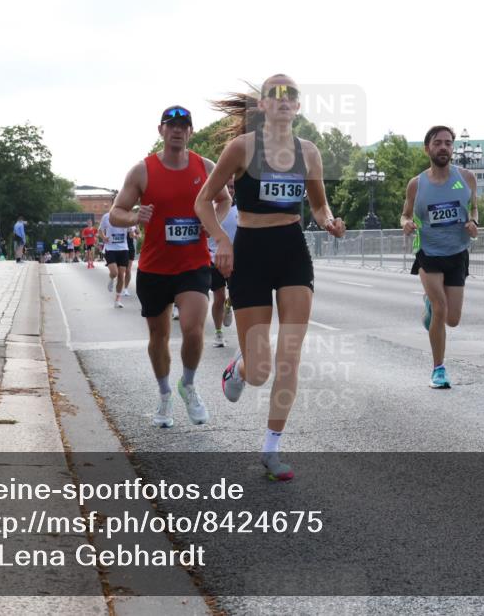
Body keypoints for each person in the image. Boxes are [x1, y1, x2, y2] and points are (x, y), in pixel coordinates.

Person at [196, 75, 345, 481]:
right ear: (262, 105)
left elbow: (318, 207)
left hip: (292, 251)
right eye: (274, 95)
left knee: (290, 355)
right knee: (261, 369)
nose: (283, 100)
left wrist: (330, 222)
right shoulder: (242, 148)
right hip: (250, 252)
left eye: (291, 95)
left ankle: (272, 448)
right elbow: (203, 200)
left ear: (297, 106)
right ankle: (240, 368)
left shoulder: (309, 152)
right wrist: (221, 240)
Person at [110, 105, 231, 429]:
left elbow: (224, 198)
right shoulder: (142, 171)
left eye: (184, 125)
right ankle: (164, 395)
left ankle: (188, 385)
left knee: (193, 329)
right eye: (171, 125)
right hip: (154, 268)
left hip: (192, 264)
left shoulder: (204, 167)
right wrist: (136, 216)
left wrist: (210, 222)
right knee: (158, 337)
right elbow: (115, 213)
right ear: (161, 130)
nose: (177, 130)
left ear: (190, 132)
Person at [400, 125, 478, 389]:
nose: (443, 147)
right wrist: (407, 223)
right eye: (437, 143)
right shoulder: (417, 184)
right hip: (429, 252)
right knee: (441, 306)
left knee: (452, 319)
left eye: (448, 143)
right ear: (427, 149)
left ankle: (431, 307)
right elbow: (405, 214)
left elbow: (474, 208)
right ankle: (438, 370)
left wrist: (473, 223)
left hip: (457, 251)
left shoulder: (466, 178)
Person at [208, 178, 238, 347]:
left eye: (232, 187)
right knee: (218, 297)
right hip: (214, 259)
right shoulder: (211, 209)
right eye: (226, 187)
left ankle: (230, 304)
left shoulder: (239, 210)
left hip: (236, 260)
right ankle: (218, 333)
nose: (230, 190)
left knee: (235, 295)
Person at [99, 202, 131, 307]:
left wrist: (133, 234)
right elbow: (100, 230)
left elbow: (132, 231)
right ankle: (111, 278)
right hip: (110, 248)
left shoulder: (126, 217)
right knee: (114, 273)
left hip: (123, 249)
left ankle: (117, 300)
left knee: (121, 275)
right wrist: (104, 237)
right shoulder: (106, 217)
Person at [123, 225, 138, 296]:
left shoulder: (134, 225)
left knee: (128, 270)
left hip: (130, 248)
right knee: (121, 270)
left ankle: (125, 289)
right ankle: (119, 283)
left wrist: (136, 234)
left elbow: (138, 235)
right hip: (121, 248)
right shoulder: (121, 223)